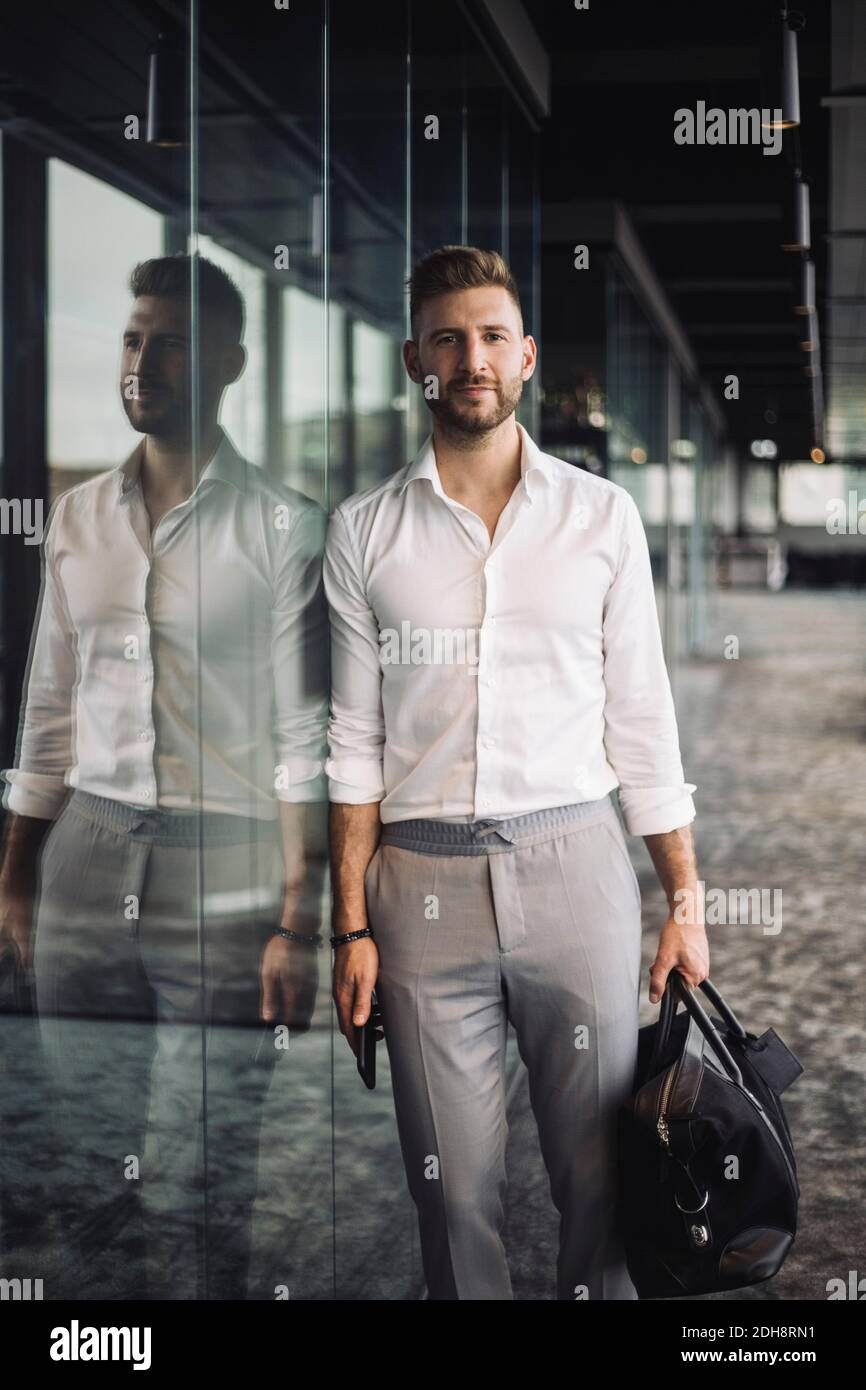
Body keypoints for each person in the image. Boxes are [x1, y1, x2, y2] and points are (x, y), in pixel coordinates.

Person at [324, 244, 709, 1301]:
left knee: (601, 1184)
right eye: (447, 338)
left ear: (526, 357)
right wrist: (348, 924)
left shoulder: (600, 519)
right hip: (419, 890)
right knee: (450, 1197)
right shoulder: (362, 533)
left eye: (491, 336)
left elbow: (641, 719)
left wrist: (683, 899)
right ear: (415, 359)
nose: (471, 358)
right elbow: (351, 743)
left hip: (573, 866)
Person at [0, 253, 328, 1299]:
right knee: (84, 1160)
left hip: (223, 874)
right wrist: (14, 876)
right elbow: (47, 711)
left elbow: (302, 736)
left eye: (171, 342)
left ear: (229, 361)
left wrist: (297, 915)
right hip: (84, 863)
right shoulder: (81, 517)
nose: (143, 362)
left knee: (206, 1171)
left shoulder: (282, 526)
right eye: (134, 339)